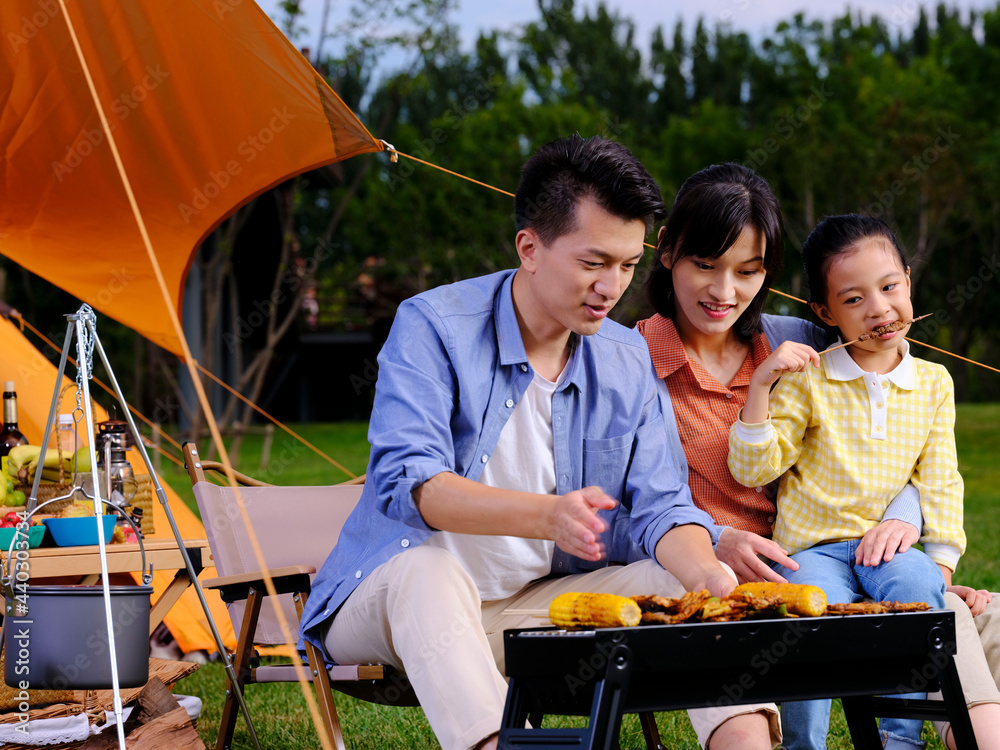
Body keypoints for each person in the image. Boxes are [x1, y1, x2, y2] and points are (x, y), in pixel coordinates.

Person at [298, 135, 775, 750]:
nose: (612, 286)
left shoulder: (625, 356)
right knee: (428, 569)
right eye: (593, 262)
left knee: (686, 587)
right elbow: (410, 483)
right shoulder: (434, 326)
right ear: (529, 247)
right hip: (390, 605)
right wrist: (547, 516)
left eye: (628, 265)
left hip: (530, 606)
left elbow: (663, 507)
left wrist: (707, 575)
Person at [634, 165, 1000, 749]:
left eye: (748, 271)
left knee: (988, 617)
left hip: (871, 555)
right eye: (705, 265)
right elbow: (632, 502)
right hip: (758, 573)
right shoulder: (630, 363)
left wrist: (914, 537)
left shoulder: (794, 340)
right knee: (872, 624)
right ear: (667, 251)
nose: (725, 291)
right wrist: (711, 536)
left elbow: (898, 446)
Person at [726, 214, 963, 750]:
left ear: (908, 278)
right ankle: (802, 743)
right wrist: (763, 383)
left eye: (889, 287)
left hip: (886, 545)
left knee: (918, 594)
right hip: (814, 549)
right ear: (824, 312)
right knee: (808, 613)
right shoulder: (809, 378)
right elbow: (752, 468)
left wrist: (943, 560)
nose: (879, 309)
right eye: (853, 299)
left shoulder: (932, 383)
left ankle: (900, 740)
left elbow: (940, 477)